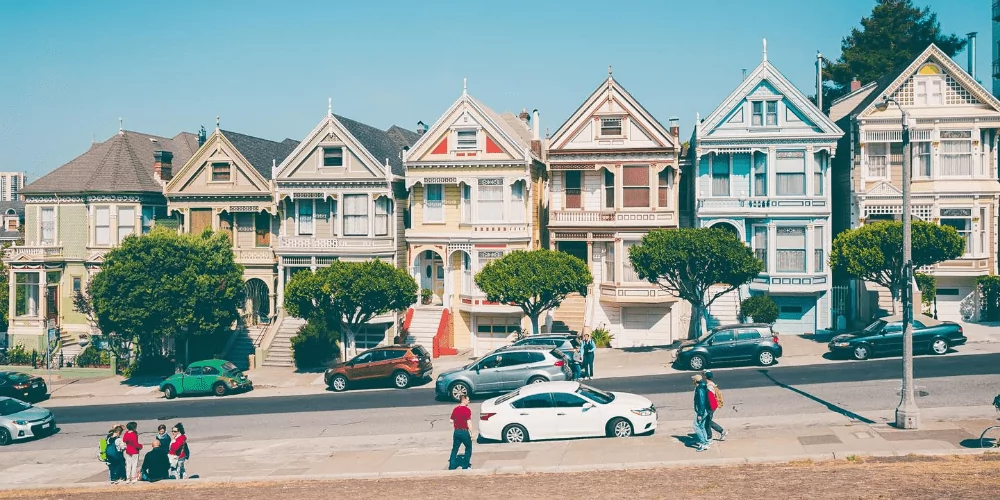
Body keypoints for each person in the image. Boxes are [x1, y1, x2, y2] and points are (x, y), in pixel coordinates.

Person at [448, 394, 473, 470]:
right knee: (468, 448)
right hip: (464, 432)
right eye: (468, 399)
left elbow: (451, 420)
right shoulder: (467, 410)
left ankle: (452, 466)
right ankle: (465, 466)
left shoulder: (455, 409)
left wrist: (456, 425)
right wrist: (471, 433)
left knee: (455, 448)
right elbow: (469, 423)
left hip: (456, 431)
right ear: (464, 400)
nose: (469, 401)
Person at [703, 370, 728, 441]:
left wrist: (707, 407)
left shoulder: (709, 386)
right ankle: (710, 435)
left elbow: (710, 398)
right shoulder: (712, 383)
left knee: (707, 421)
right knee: (707, 421)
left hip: (711, 406)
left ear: (705, 376)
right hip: (713, 405)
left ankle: (715, 434)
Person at [692, 374, 711, 452]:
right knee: (702, 426)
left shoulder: (699, 389)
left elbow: (701, 402)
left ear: (696, 381)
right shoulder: (702, 387)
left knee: (696, 426)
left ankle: (703, 443)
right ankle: (706, 442)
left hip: (701, 411)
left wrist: (700, 414)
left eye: (693, 380)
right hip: (704, 410)